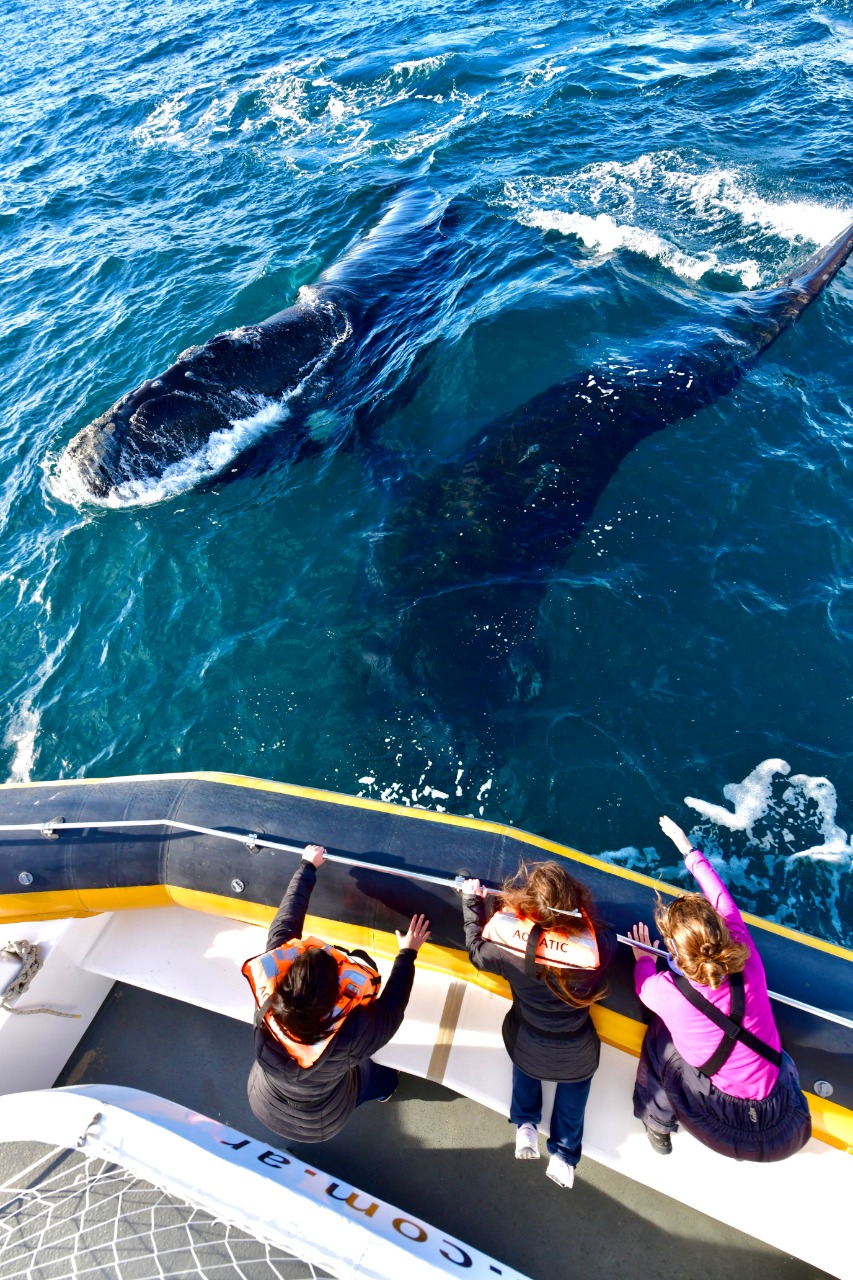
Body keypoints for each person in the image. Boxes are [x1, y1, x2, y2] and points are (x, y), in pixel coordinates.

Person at [628, 815, 811, 1162]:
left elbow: (642, 985)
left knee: (660, 1038)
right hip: (788, 1121)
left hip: (723, 1128)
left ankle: (657, 1122)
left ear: (676, 951)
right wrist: (688, 849)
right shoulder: (747, 954)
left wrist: (644, 959)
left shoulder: (666, 991)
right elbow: (721, 897)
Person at [243, 842, 430, 1143]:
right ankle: (384, 1088)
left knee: (352, 1061)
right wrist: (408, 952)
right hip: (322, 1119)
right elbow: (392, 1010)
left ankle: (380, 1088)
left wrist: (306, 869)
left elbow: (284, 928)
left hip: (265, 1102)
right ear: (333, 997)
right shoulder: (353, 1034)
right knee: (368, 1075)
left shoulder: (268, 1001)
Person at [460, 861, 615, 1189]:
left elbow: (476, 951)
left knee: (525, 1067)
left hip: (528, 1043)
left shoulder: (506, 950)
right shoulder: (598, 949)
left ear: (530, 904)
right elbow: (609, 938)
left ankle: (526, 1125)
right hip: (577, 1052)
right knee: (574, 1090)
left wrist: (472, 901)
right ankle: (564, 1155)